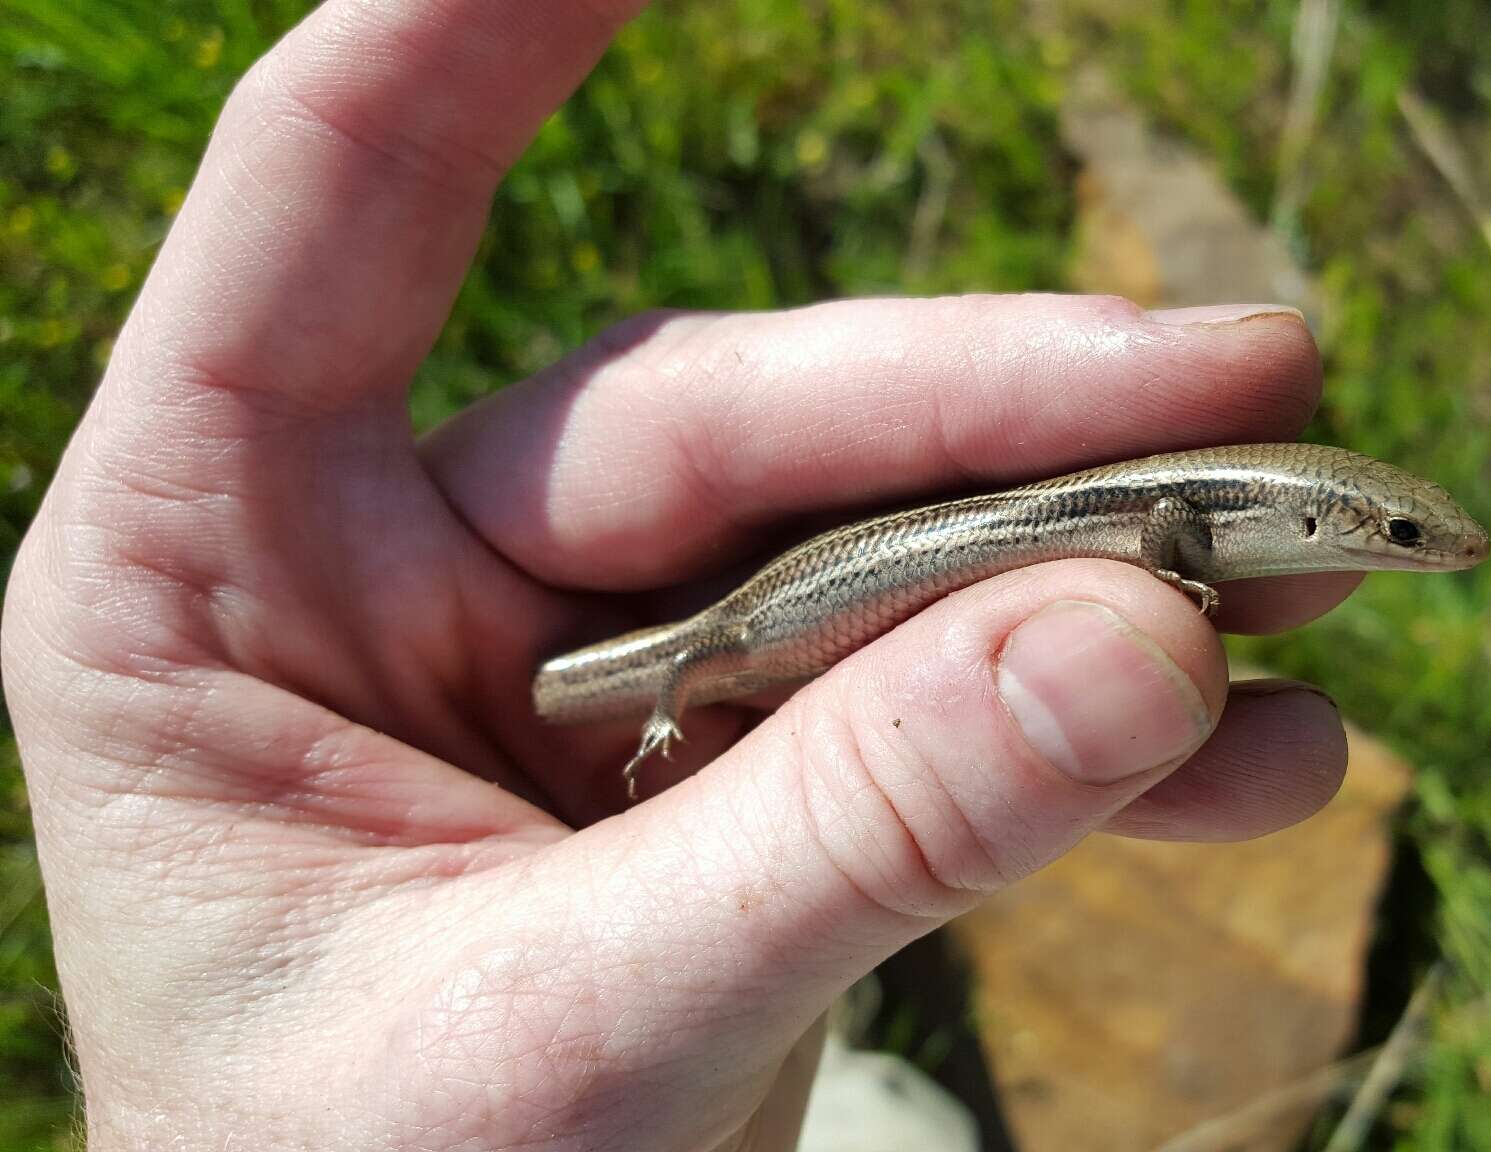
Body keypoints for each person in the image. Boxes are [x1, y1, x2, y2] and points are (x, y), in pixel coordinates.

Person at [0, 3, 1359, 1148]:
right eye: (1387, 537)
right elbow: (1147, 545)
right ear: (1302, 520)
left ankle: (838, 1052)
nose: (1390, 555)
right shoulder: (1169, 517)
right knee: (695, 671)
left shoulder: (1179, 515)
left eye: (1389, 545)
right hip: (744, 626)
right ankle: (847, 1051)